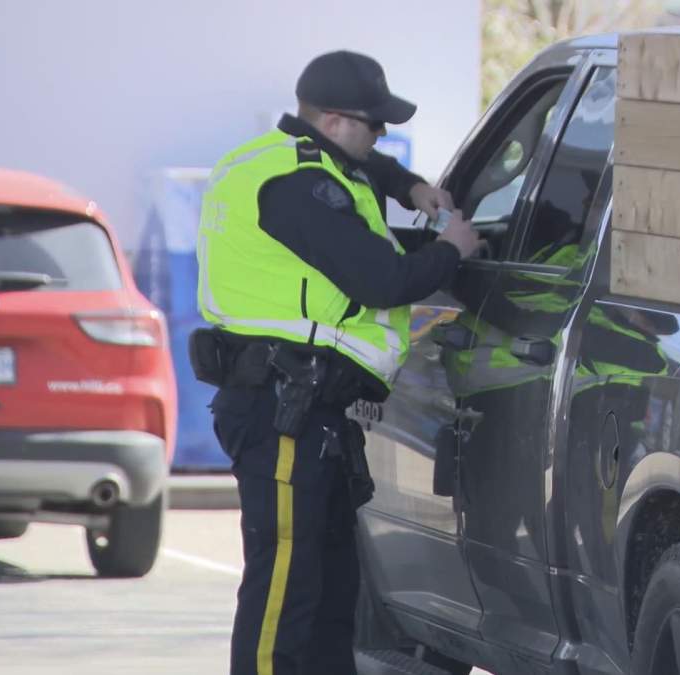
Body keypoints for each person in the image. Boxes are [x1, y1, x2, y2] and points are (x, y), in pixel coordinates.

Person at [193, 50, 480, 675]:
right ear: (331, 120)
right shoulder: (296, 186)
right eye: (372, 123)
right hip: (283, 406)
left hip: (301, 406)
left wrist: (411, 187)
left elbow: (367, 169)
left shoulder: (292, 160)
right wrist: (451, 250)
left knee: (327, 590)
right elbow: (382, 279)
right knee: (285, 590)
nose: (380, 135)